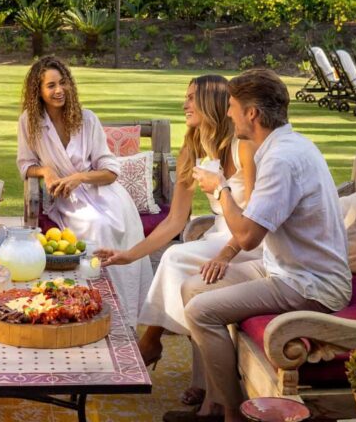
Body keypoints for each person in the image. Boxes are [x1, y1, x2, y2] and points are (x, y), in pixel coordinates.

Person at [163, 69, 352, 422]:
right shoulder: (283, 146)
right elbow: (257, 227)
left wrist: (220, 188)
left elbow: (249, 234)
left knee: (201, 312)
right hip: (282, 267)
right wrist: (225, 253)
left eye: (233, 106)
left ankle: (233, 414)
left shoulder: (281, 159)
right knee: (193, 287)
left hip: (310, 283)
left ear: (252, 113)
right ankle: (215, 403)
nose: (229, 113)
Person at [98, 75, 256, 406]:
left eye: (191, 98)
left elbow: (257, 218)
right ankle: (203, 381)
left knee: (176, 259)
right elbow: (174, 220)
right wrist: (129, 254)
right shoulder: (193, 148)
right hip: (217, 234)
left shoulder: (244, 148)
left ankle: (151, 339)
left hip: (249, 242)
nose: (184, 104)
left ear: (212, 102)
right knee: (188, 274)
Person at [16, 55, 152, 325]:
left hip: (102, 193)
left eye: (63, 83)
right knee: (93, 225)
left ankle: (116, 306)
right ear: (38, 92)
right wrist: (46, 171)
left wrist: (79, 177)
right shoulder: (29, 122)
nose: (59, 90)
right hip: (66, 200)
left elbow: (111, 170)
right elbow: (25, 164)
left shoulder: (87, 119)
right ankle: (86, 300)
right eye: (51, 85)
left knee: (101, 224)